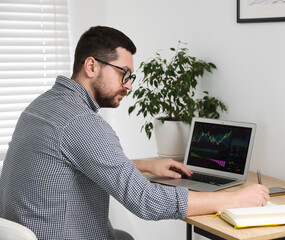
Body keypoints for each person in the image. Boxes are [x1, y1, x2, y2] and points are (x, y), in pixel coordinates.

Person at [0, 26, 269, 240]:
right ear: (92, 66)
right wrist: (233, 198)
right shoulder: (82, 122)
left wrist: (144, 165)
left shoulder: (43, 106)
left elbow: (70, 164)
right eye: (123, 74)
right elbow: (147, 202)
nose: (128, 86)